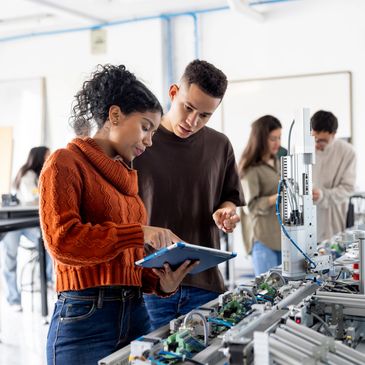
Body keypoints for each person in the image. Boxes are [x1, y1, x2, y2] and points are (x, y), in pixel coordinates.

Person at [39, 64, 198, 364]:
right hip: (85, 320)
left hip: (137, 314)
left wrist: (159, 283)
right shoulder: (65, 163)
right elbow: (63, 242)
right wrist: (139, 233)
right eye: (145, 127)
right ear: (115, 115)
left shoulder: (127, 179)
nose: (150, 141)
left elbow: (125, 259)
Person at [134, 59, 245, 330]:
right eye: (188, 107)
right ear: (173, 93)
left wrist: (227, 212)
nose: (193, 121)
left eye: (204, 115)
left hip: (205, 284)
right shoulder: (139, 141)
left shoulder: (220, 145)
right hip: (150, 285)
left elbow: (229, 198)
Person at [0, 146, 52, 311]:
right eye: (47, 155)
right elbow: (33, 197)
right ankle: (13, 299)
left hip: (31, 222)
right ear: (39, 157)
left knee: (49, 243)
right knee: (10, 259)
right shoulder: (27, 174)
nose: (50, 157)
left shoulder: (41, 174)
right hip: (15, 221)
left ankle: (48, 280)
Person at [238, 115, 282, 276]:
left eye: (279, 138)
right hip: (263, 240)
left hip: (281, 238)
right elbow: (250, 207)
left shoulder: (277, 162)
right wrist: (275, 198)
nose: (278, 143)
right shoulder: (250, 168)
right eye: (273, 139)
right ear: (261, 139)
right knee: (269, 292)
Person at [311, 110, 356, 242]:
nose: (317, 144)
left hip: (332, 222)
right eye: (315, 139)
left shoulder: (347, 152)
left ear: (334, 134)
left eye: (323, 140)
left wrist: (322, 195)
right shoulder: (303, 150)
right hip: (304, 223)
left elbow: (347, 188)